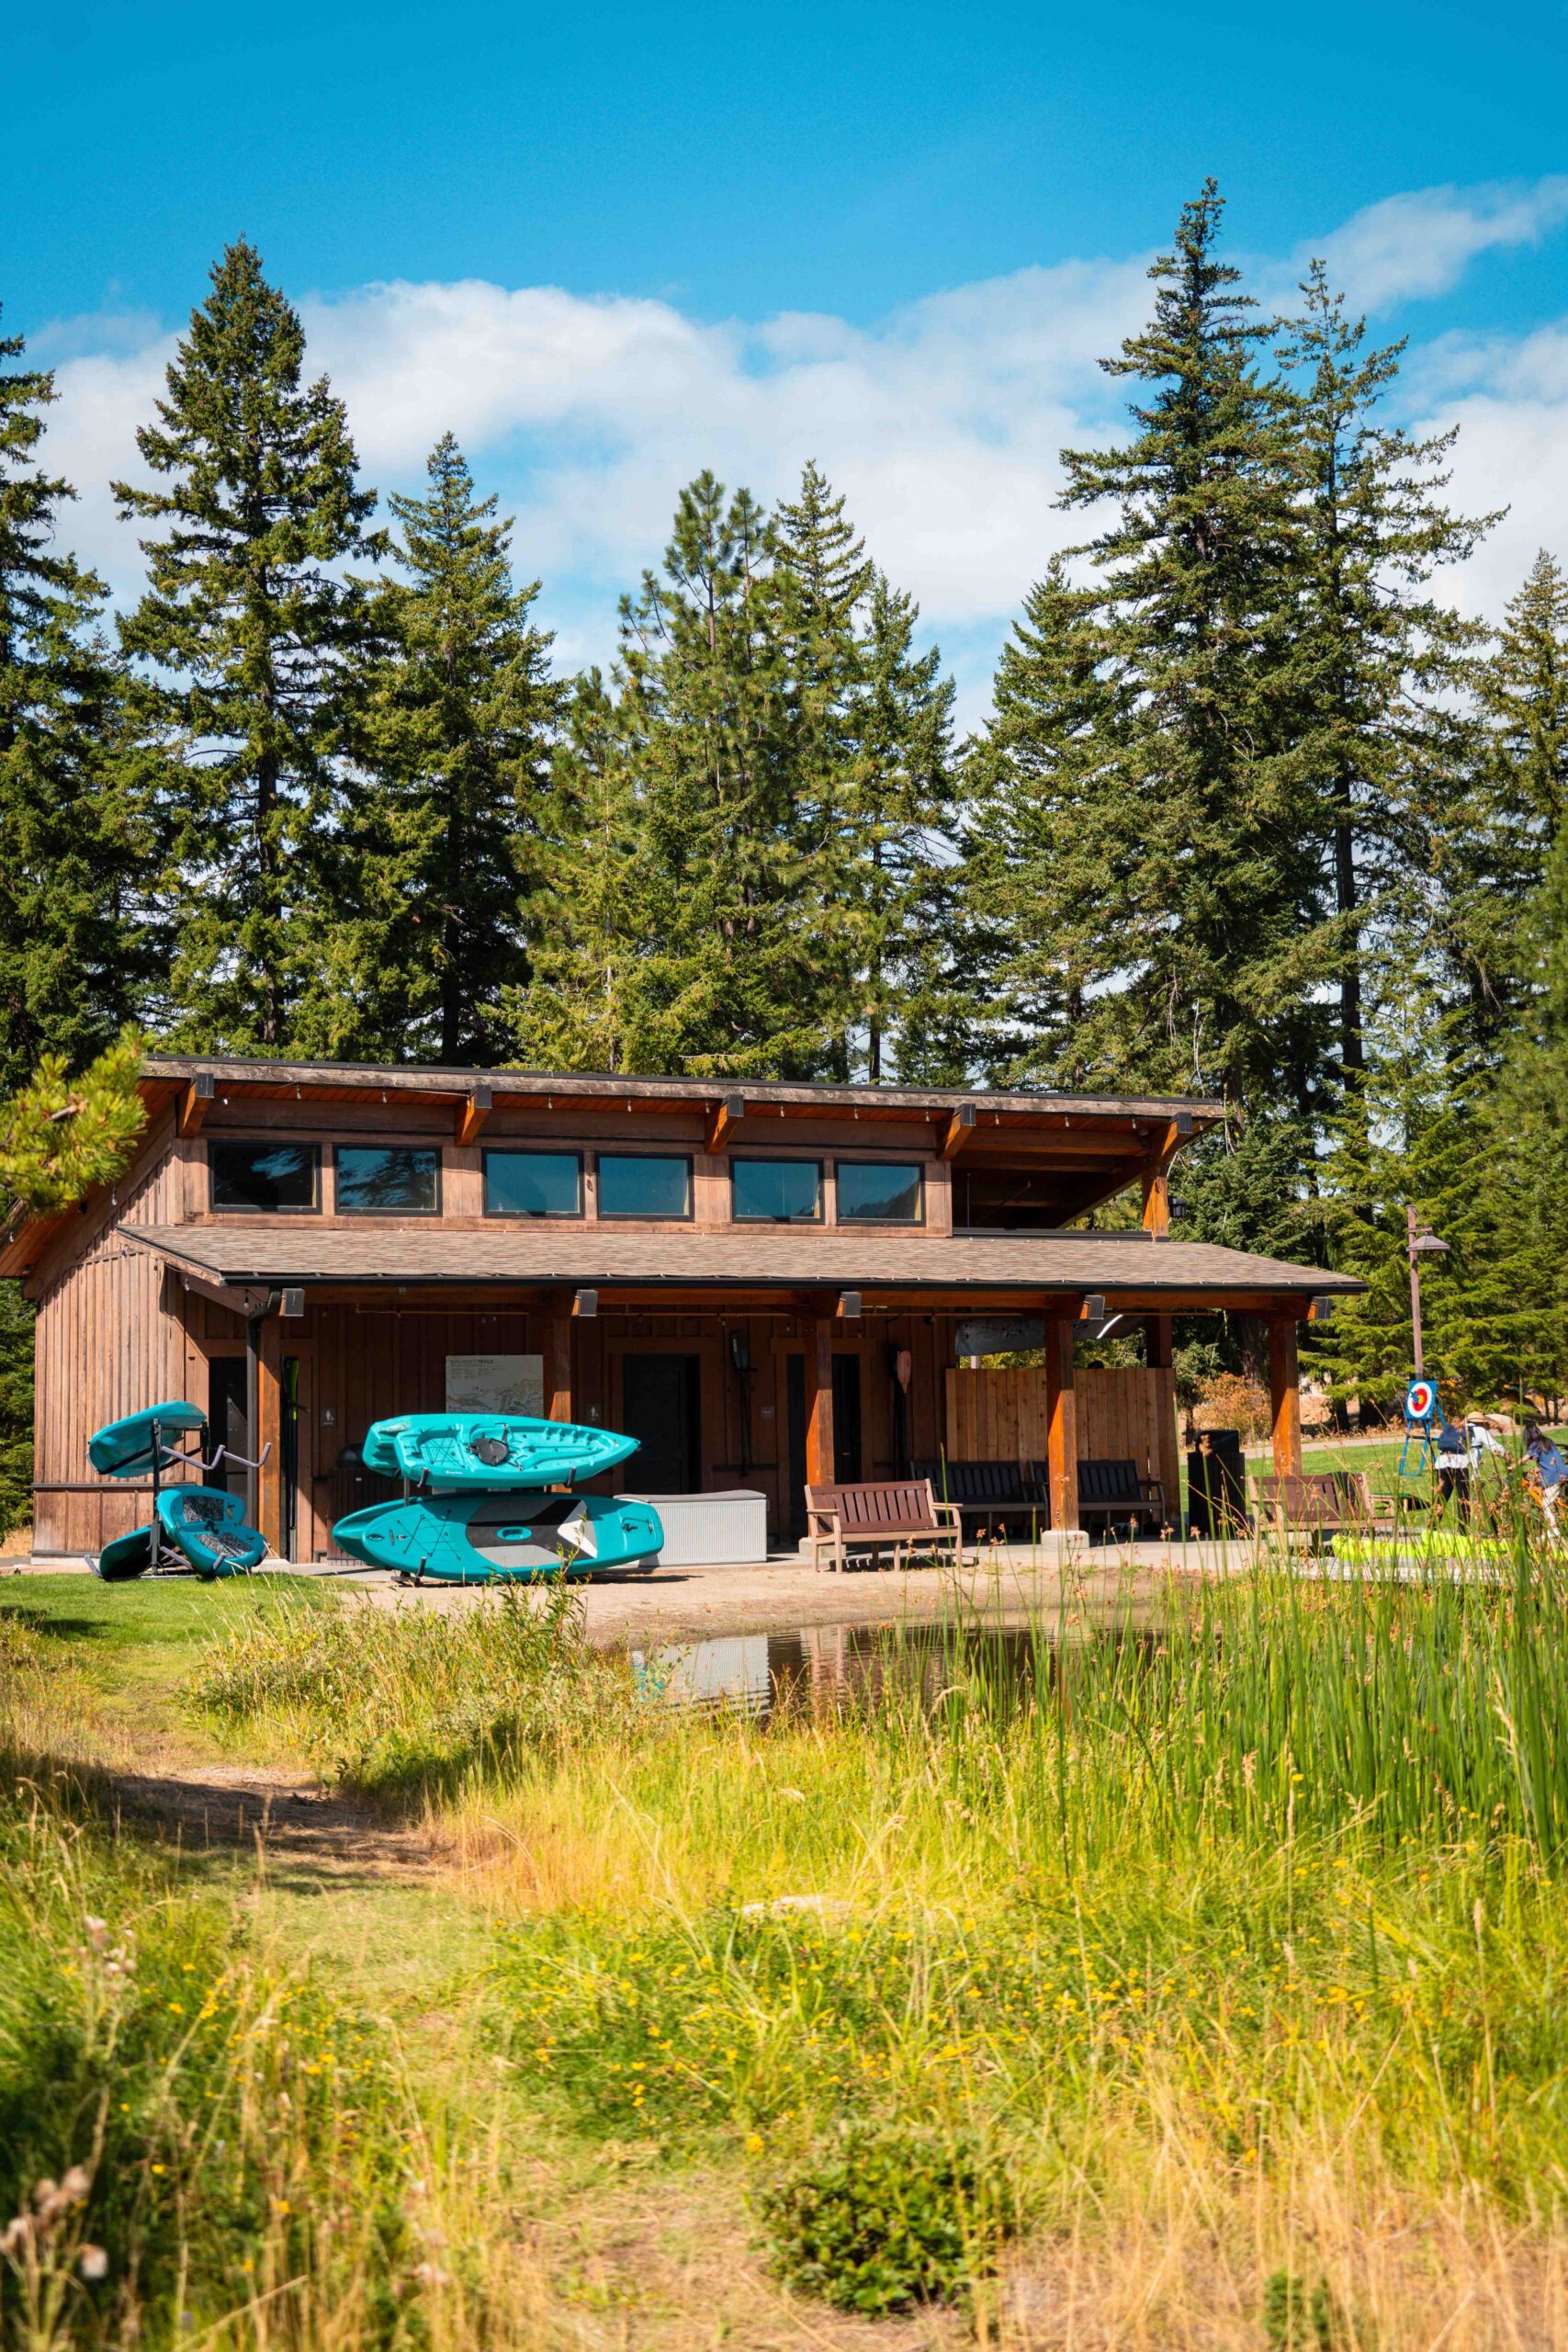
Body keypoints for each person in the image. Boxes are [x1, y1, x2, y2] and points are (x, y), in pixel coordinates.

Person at [1523, 1423, 1567, 1529]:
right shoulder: (1548, 1441)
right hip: (1564, 1473)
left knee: (1546, 1502)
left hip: (1553, 1477)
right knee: (1557, 1499)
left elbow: (1525, 1459)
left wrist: (1513, 1465)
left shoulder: (1535, 1444)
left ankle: (1554, 1530)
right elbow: (1545, 1458)